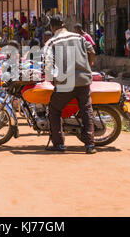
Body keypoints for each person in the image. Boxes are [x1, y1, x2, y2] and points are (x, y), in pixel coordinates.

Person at [43, 16, 96, 155]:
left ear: (52, 27)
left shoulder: (51, 42)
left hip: (65, 83)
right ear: (64, 25)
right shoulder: (80, 38)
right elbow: (92, 52)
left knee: (54, 110)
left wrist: (51, 79)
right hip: (84, 81)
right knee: (87, 111)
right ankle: (90, 144)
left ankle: (59, 143)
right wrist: (88, 67)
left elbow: (47, 63)